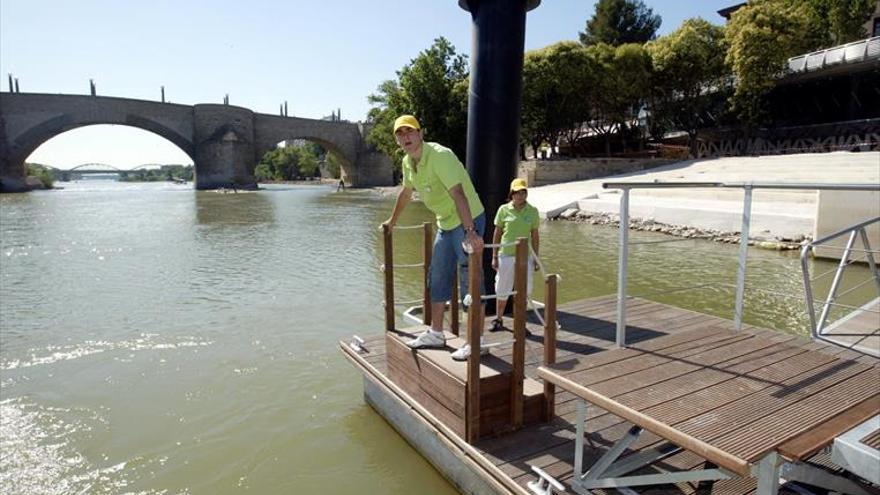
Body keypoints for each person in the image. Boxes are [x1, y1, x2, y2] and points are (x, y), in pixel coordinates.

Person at [381, 114, 486, 360]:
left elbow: (458, 193)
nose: (405, 137)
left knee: (469, 280)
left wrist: (470, 232)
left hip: (466, 219)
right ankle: (437, 333)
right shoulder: (408, 161)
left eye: (410, 131)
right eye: (400, 134)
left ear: (421, 133)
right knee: (437, 276)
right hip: (446, 223)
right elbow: (406, 193)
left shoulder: (440, 156)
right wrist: (392, 222)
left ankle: (476, 341)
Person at [490, 178, 540, 333]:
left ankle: (521, 323)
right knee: (502, 289)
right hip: (506, 254)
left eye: (523, 192)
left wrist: (536, 258)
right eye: (517, 193)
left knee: (524, 291)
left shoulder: (533, 211)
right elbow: (497, 233)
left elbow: (535, 236)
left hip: (525, 257)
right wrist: (494, 255)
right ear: (511, 194)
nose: (520, 196)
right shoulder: (503, 210)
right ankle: (498, 319)